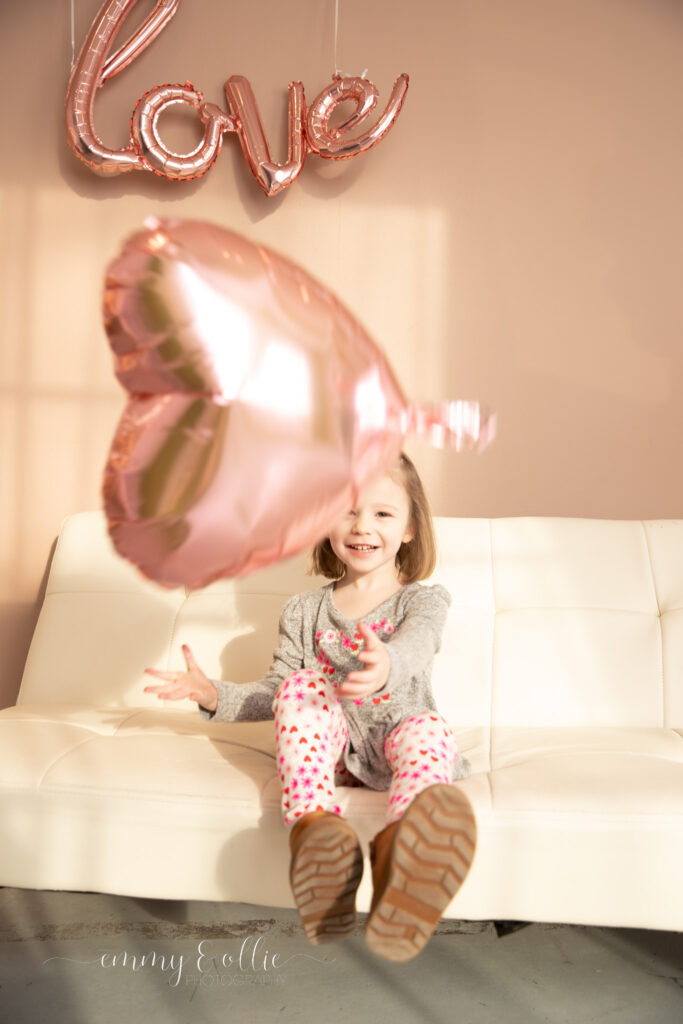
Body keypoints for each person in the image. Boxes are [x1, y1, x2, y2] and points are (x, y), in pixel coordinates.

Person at [144, 453, 476, 962]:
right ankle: (318, 837)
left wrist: (386, 663)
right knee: (299, 685)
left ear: (410, 528)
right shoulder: (302, 612)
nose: (363, 526)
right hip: (334, 758)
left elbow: (418, 644)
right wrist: (214, 694)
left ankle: (403, 860)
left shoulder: (423, 602)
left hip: (399, 740)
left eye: (383, 514)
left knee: (430, 729)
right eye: (347, 512)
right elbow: (276, 691)